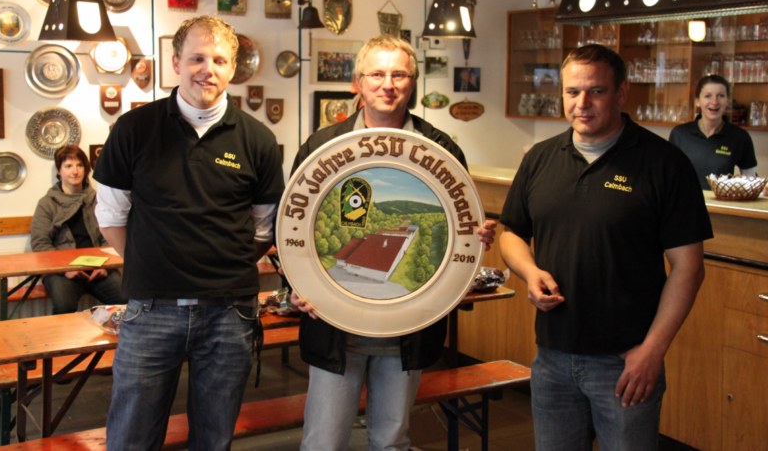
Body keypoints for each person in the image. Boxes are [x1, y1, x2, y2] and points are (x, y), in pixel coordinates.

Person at [499, 44, 713, 451]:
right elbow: (511, 233)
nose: (582, 103)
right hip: (552, 358)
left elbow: (689, 268)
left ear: (621, 92)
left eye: (596, 91)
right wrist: (529, 272)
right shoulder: (540, 158)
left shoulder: (664, 164)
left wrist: (652, 351)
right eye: (572, 91)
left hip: (626, 363)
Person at [290, 34, 496, 451]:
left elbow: (461, 226)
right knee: (323, 442)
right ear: (358, 83)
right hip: (334, 326)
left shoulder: (441, 148)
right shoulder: (320, 146)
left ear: (413, 82)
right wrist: (297, 284)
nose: (388, 84)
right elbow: (293, 227)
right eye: (377, 74)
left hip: (408, 330)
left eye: (399, 74)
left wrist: (476, 238)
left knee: (391, 441)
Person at [93, 15, 285, 451]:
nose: (207, 70)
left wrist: (221, 267)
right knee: (131, 440)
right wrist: (150, 262)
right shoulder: (134, 129)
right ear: (176, 62)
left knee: (214, 440)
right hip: (151, 310)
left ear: (232, 68)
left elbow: (262, 228)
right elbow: (111, 217)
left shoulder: (258, 140)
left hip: (229, 313)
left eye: (219, 60)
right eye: (197, 58)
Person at [30, 144, 125, 314]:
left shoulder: (97, 199)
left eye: (79, 165)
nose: (75, 171)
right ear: (59, 171)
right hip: (61, 271)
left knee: (126, 299)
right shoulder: (47, 203)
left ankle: (115, 332)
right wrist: (65, 269)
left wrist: (106, 266)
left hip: (98, 268)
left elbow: (109, 236)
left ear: (86, 169)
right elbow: (40, 244)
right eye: (68, 166)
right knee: (64, 306)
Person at [669, 74, 757, 189]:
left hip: (721, 201)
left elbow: (750, 181)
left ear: (727, 101)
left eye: (721, 96)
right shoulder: (679, 134)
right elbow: (668, 175)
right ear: (697, 101)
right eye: (708, 96)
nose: (714, 102)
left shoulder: (740, 137)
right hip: (686, 200)